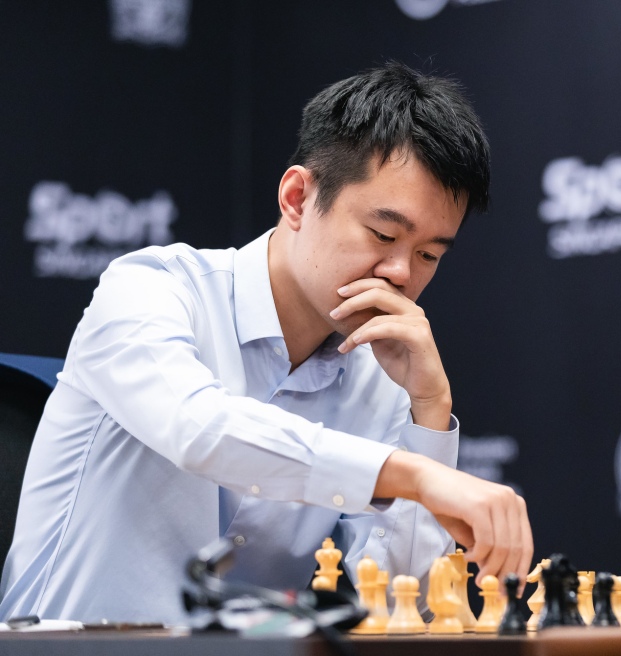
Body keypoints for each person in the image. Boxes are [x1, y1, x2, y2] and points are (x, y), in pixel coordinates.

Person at [0, 62, 532, 624]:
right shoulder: (150, 289)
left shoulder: (384, 373)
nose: (401, 272)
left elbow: (403, 604)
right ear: (298, 198)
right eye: (383, 235)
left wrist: (430, 414)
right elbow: (201, 430)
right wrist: (417, 475)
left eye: (429, 255)